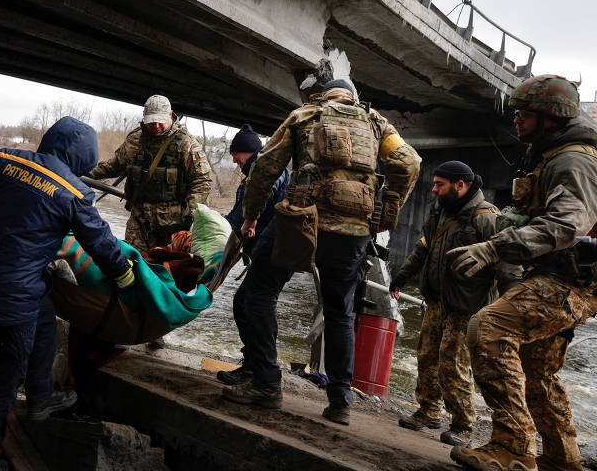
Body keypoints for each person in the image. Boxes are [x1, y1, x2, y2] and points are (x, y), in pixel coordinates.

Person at [220, 79, 421, 424]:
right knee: (340, 311)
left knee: (259, 292)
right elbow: (409, 163)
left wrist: (251, 216)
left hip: (301, 222)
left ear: (324, 96)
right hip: (354, 231)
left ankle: (267, 382)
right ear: (354, 99)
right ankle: (340, 399)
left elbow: (267, 167)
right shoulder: (376, 124)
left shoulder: (305, 115)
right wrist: (388, 209)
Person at [0, 117, 133, 471]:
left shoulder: (5, 158)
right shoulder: (73, 191)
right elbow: (100, 242)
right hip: (13, 293)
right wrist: (125, 276)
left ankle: (40, 397)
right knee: (6, 375)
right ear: (83, 158)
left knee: (45, 315)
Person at [448, 75, 597, 471]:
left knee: (489, 328)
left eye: (523, 114)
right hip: (566, 279)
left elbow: (567, 225)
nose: (516, 120)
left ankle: (513, 447)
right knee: (537, 368)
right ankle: (562, 458)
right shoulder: (553, 155)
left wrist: (494, 246)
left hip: (570, 283)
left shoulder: (573, 160)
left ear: (549, 118)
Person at [390, 161, 520, 447]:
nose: (434, 189)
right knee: (426, 357)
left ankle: (463, 425)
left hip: (467, 307)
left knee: (453, 365)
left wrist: (511, 305)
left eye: (440, 184)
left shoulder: (487, 219)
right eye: (434, 183)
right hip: (437, 301)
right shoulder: (440, 211)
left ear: (460, 186)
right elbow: (425, 246)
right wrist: (402, 275)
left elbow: (507, 265)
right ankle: (428, 411)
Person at [89, 94, 212, 252]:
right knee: (132, 261)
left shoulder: (186, 144)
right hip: (139, 219)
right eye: (151, 121)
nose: (156, 126)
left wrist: (192, 217)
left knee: (166, 269)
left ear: (170, 115)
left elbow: (202, 181)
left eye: (160, 121)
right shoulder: (135, 139)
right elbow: (115, 165)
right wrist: (82, 172)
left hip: (173, 224)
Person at [217, 124, 289, 386]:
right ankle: (254, 367)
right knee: (247, 304)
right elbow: (241, 212)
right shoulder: (259, 170)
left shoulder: (265, 168)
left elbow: (255, 204)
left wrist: (242, 223)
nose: (234, 161)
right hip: (273, 250)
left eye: (236, 154)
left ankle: (261, 374)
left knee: (251, 305)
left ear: (246, 151)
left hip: (274, 251)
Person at [223, 123, 290, 254]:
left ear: (249, 151)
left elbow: (261, 195)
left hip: (270, 249)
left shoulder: (270, 171)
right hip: (260, 246)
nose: (233, 160)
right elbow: (238, 214)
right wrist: (217, 221)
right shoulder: (251, 178)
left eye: (235, 154)